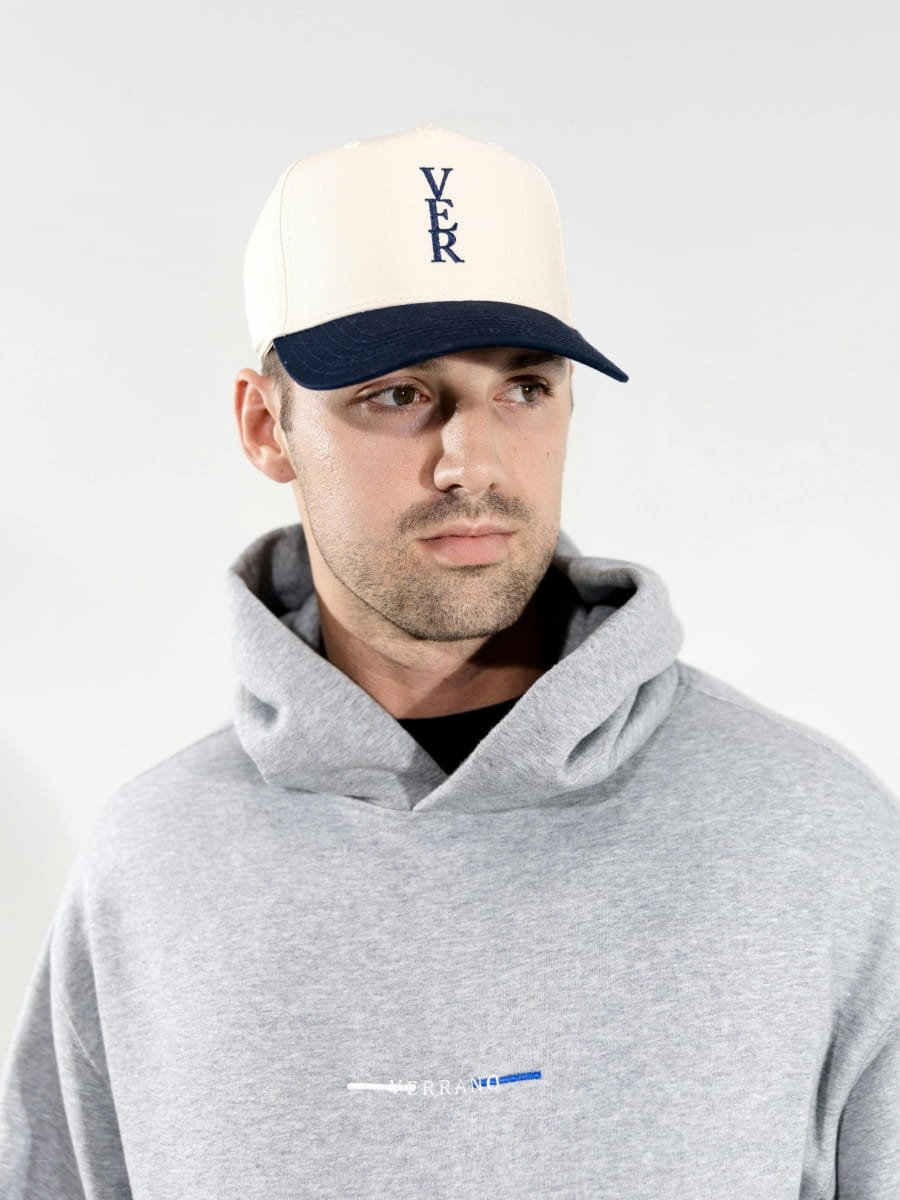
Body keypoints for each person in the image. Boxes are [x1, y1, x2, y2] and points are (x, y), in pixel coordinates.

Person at [0, 126, 897, 1199]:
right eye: (398, 395)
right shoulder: (152, 868)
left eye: (523, 389)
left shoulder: (812, 838)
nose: (472, 463)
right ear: (266, 426)